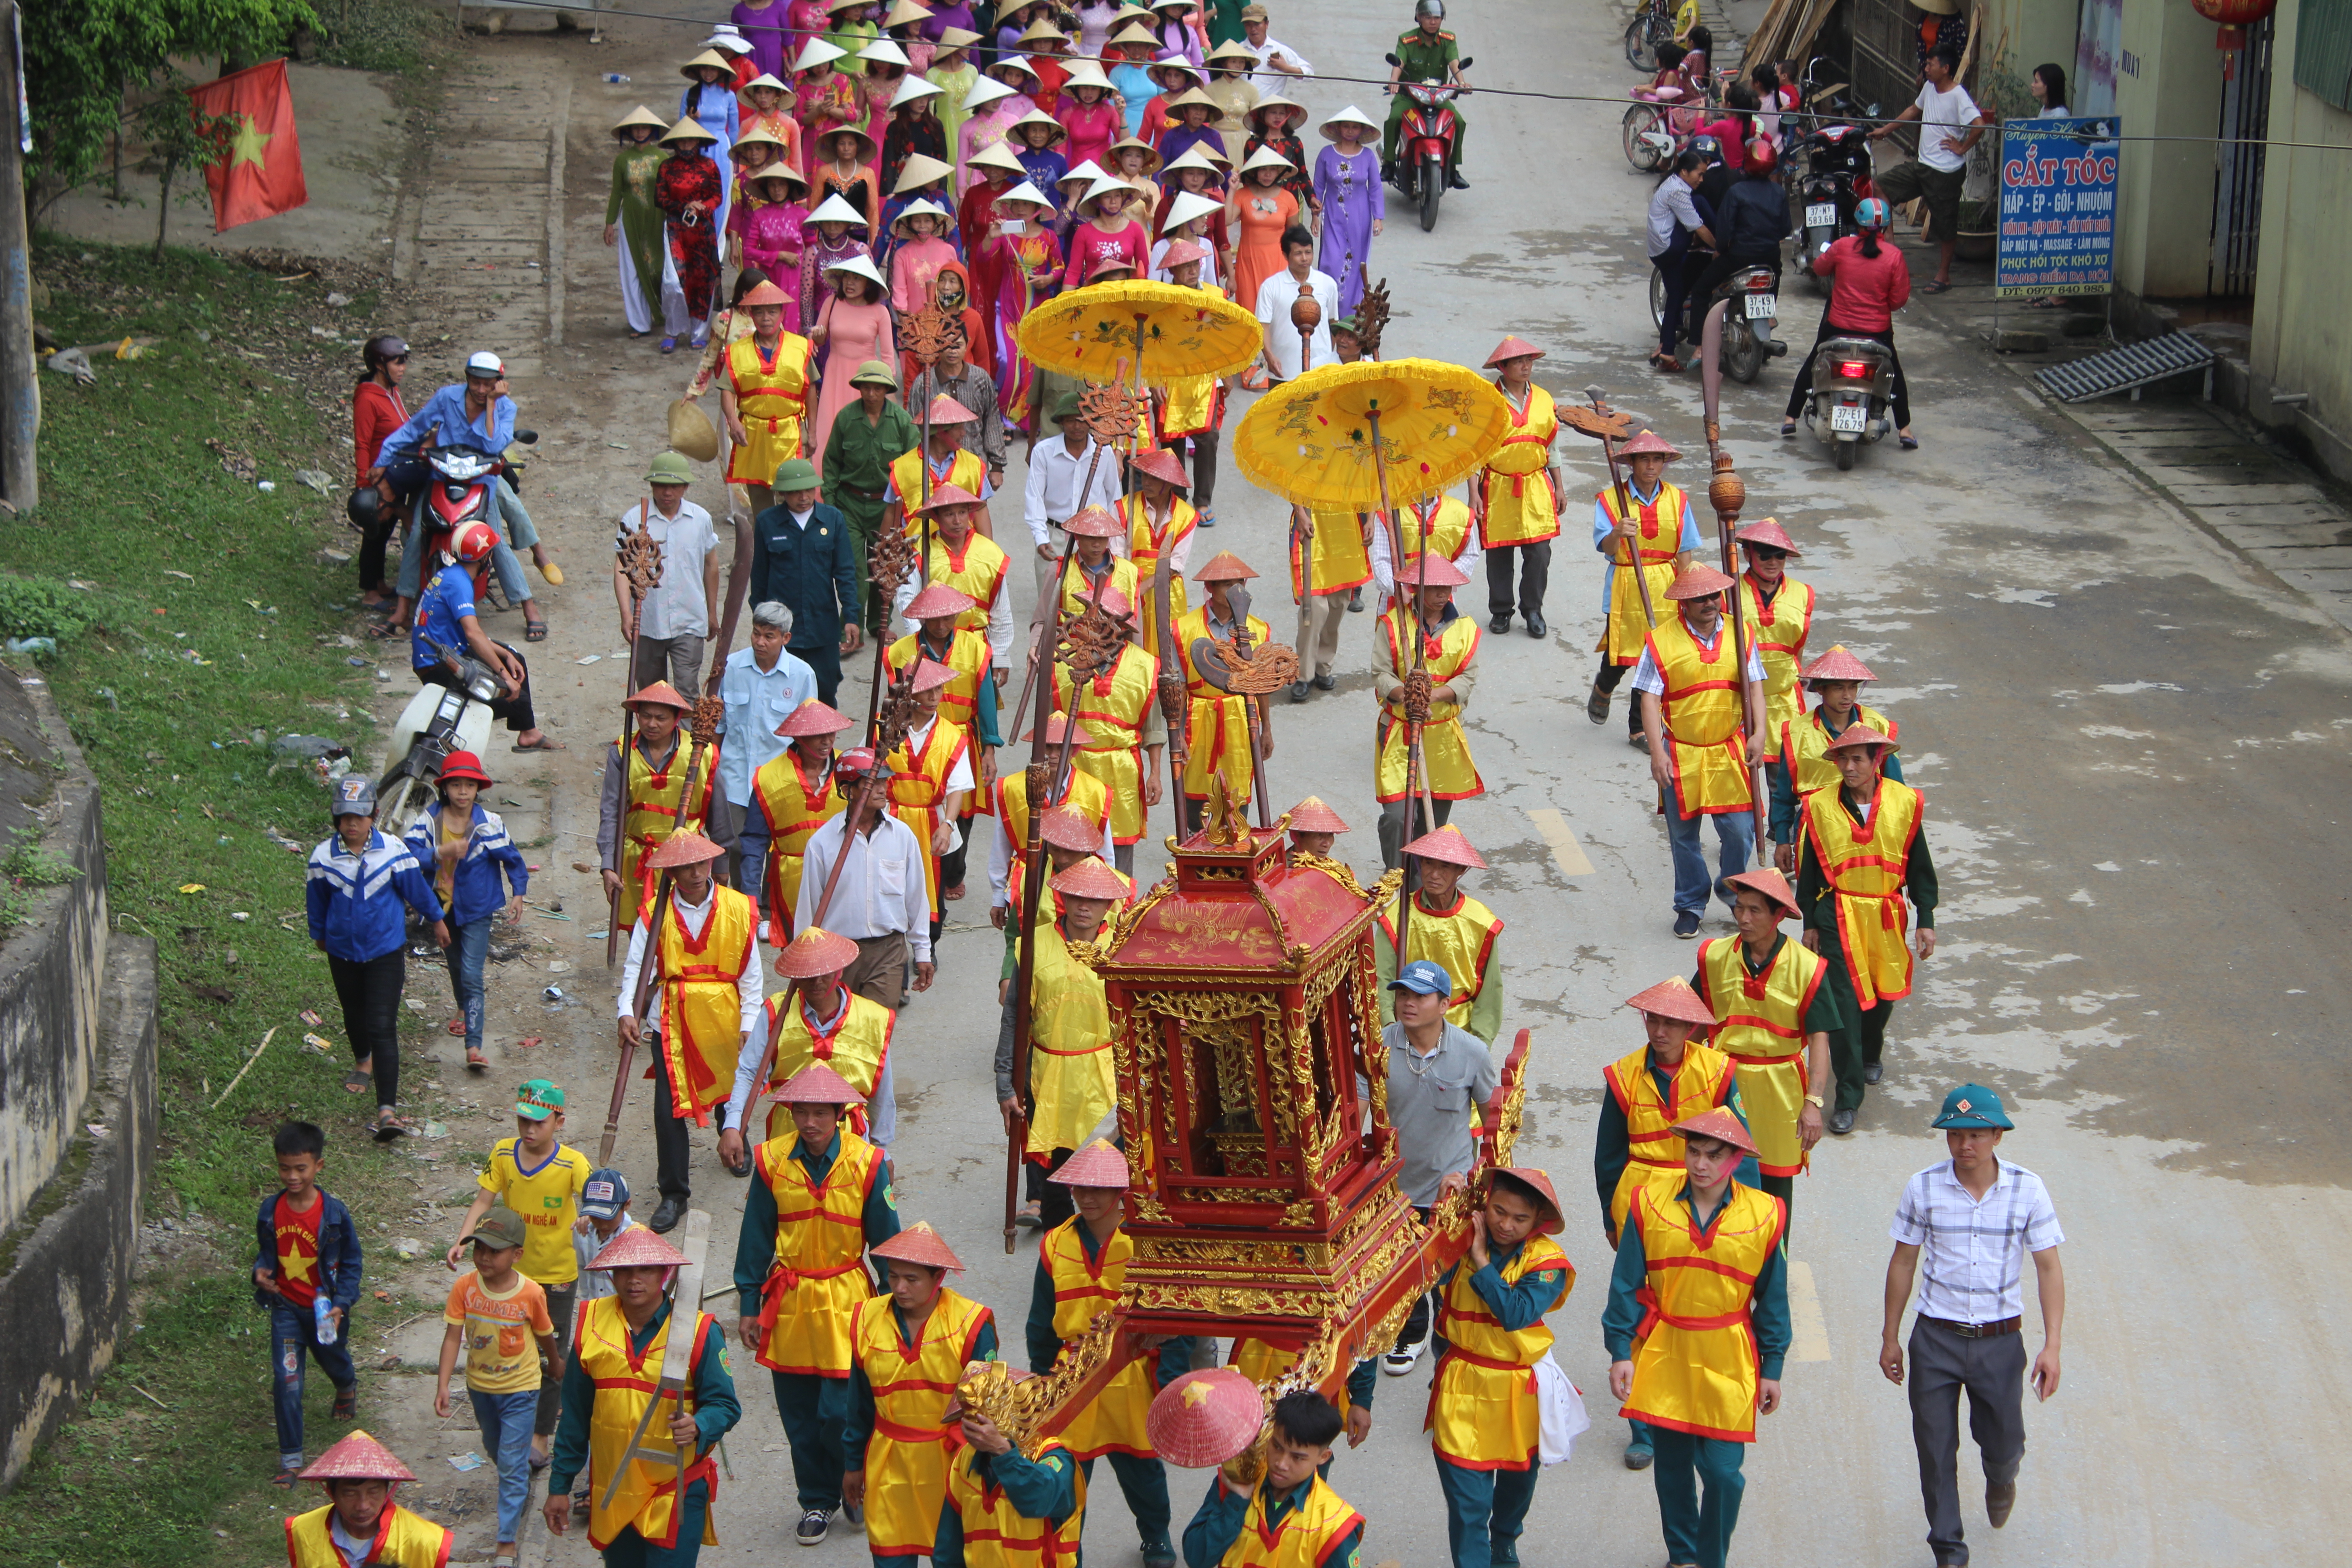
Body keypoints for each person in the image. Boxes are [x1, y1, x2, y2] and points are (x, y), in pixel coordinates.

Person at [1881, 1084, 2066, 1568]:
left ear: (1998, 1136)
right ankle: (1949, 1548)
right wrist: (1890, 1338)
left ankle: (2001, 1476)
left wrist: (2053, 1346)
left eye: (1977, 1135)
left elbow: (2049, 1267)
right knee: (1935, 1446)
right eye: (1956, 1135)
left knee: (2005, 1441)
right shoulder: (1923, 1188)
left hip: (2000, 1341)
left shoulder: (2028, 1189)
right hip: (1935, 1340)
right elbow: (1903, 1263)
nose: (1966, 1146)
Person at [1603, 1109, 1790, 1568]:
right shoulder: (1649, 1203)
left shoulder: (1765, 1213)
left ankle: (1711, 1559)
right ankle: (1683, 1558)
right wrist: (1620, 1351)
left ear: (1735, 1159)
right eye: (1694, 1151)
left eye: (1712, 1155)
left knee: (1725, 1475)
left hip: (1729, 1354)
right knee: (1671, 1469)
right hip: (1667, 1350)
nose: (1700, 1164)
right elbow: (1626, 1283)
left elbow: (1773, 1298)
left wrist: (1774, 1368)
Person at [732, 1062, 902, 1545]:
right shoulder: (769, 1163)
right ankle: (817, 1502)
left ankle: (855, 1479)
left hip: (848, 1301)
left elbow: (886, 1240)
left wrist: (895, 1307)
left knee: (839, 1412)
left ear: (839, 1115)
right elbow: (756, 1237)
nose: (809, 1123)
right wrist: (749, 1303)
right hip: (789, 1304)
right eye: (801, 1113)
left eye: (819, 1114)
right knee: (800, 1414)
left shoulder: (868, 1164)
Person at [1592, 976, 1748, 1469]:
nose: (1660, 1030)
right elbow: (1608, 1154)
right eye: (1654, 1020)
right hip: (1640, 1201)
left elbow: (1739, 1147)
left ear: (1692, 1028)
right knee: (1645, 1303)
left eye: (1672, 1022)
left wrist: (1748, 1211)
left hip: (1703, 1195)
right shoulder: (1623, 1076)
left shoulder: (1720, 1073)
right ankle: (1644, 1422)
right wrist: (1609, 1215)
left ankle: (1697, 1403)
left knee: (1699, 1301)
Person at [1028, 1140, 1183, 1568]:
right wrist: (1043, 1380)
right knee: (1065, 1469)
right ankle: (1068, 1548)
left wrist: (1169, 1382)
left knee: (1142, 1468)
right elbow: (1041, 1321)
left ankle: (1156, 1535)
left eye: (1099, 1189)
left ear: (1122, 1194)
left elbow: (1175, 1322)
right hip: (1071, 1372)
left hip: (1132, 1372)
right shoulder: (1055, 1245)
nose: (1087, 1198)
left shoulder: (1147, 1243)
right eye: (1079, 1189)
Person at [545, 1227, 743, 1563]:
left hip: (675, 1491)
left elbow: (725, 1405)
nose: (633, 1280)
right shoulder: (591, 1324)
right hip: (613, 1490)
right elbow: (576, 1417)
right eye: (624, 1270)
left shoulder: (700, 1332)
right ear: (612, 1274)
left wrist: (699, 1424)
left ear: (665, 1275)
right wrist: (559, 1487)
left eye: (646, 1270)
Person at [618, 830, 764, 1229]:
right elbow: (637, 967)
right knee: (668, 1109)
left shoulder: (739, 908)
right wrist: (626, 1011)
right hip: (673, 1018)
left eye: (701, 863)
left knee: (728, 1085)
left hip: (725, 1014)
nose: (696, 872)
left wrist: (750, 1023)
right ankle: (674, 1192)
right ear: (672, 870)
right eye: (686, 866)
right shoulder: (655, 912)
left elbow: (752, 975)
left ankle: (732, 1134)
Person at [444, 1080, 594, 1465]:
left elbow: (595, 1198)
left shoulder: (573, 1163)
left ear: (559, 1122)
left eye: (539, 1123)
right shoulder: (503, 1154)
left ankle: (541, 1433)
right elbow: (483, 1200)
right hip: (510, 1277)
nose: (529, 1131)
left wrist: (590, 1217)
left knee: (551, 1354)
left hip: (557, 1276)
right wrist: (463, 1240)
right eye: (523, 1121)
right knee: (508, 1345)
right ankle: (511, 1415)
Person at [1798, 724, 1938, 1133]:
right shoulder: (1820, 806)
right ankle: (1848, 1096)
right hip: (1837, 913)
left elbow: (1920, 864)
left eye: (1858, 758)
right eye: (1843, 758)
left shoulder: (1904, 802)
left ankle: (1871, 1051)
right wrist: (1810, 921)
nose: (1849, 766)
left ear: (1878, 761)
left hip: (1886, 914)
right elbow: (1810, 870)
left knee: (1881, 997)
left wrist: (1925, 917)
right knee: (1843, 1004)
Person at [1428, 1169, 1572, 1568]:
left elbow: (1516, 1313)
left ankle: (1505, 1540)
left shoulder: (1548, 1263)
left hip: (1518, 1388)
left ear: (1538, 1220)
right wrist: (1442, 1213)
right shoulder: (1460, 1235)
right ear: (1486, 1204)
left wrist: (1480, 1261)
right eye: (1498, 1211)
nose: (1505, 1225)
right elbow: (1423, 1272)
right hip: (1462, 1380)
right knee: (1467, 1503)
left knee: (1517, 1483)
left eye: (1519, 1218)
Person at [1363, 959, 1499, 1376]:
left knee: (1447, 1275)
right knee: (1403, 1270)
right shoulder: (1377, 1049)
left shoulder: (1472, 1053)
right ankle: (1409, 1332)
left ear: (1444, 1005)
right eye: (1403, 995)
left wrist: (1483, 1178)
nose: (1408, 1004)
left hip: (1450, 1186)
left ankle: (1452, 1347)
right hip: (1395, 1188)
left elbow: (1493, 1116)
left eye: (1419, 996)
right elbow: (1353, 1111)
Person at [1692, 867, 1840, 1237]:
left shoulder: (1808, 968)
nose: (1743, 918)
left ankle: (1771, 1282)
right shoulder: (1714, 957)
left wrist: (1814, 1103)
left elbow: (1820, 1040)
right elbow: (1691, 1023)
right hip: (1724, 1084)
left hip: (1780, 1092)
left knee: (1775, 1193)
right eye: (1739, 908)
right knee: (1716, 1180)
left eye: (1755, 910)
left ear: (1778, 917)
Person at [844, 1223, 1001, 1563]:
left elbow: (988, 1410)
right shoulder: (866, 1320)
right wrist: (853, 1464)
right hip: (889, 1466)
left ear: (938, 1278)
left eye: (911, 1279)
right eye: (893, 1276)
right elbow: (858, 1404)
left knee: (953, 1558)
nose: (899, 1288)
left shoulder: (971, 1327)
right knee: (890, 1556)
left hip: (951, 1469)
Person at [308, 775, 450, 1142]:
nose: (352, 824)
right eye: (344, 817)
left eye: (359, 816)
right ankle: (362, 1061)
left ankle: (387, 1110)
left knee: (382, 1025)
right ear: (336, 820)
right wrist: (321, 936)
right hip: (342, 951)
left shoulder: (393, 851)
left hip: (385, 950)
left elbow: (416, 890)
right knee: (353, 1012)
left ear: (373, 815)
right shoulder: (323, 857)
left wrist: (436, 919)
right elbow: (318, 903)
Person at [1636, 562, 1769, 938]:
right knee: (1684, 837)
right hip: (1682, 752)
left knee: (1741, 831)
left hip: (1730, 751)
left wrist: (1759, 733)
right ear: (1685, 603)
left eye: (1714, 595)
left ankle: (1731, 888)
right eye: (1700, 598)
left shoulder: (1741, 633)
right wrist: (1656, 753)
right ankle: (1691, 903)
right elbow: (1649, 698)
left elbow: (1755, 687)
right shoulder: (1661, 641)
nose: (1710, 602)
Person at [994, 864, 1127, 1229]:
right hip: (1046, 1079)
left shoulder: (1123, 946)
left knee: (1109, 1179)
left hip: (1104, 1081)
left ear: (1108, 905)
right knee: (1055, 1187)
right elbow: (1015, 1019)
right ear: (1063, 899)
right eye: (1077, 897)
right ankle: (1059, 1256)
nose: (1085, 906)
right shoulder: (1033, 945)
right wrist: (1005, 1083)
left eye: (1095, 900)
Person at [435, 1205, 559, 1562]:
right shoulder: (465, 1287)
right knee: (496, 1448)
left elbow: (546, 1333)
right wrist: (444, 1385)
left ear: (517, 1255)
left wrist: (555, 1363)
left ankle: (507, 1536)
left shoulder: (531, 1293)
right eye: (479, 1249)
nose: (484, 1258)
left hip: (521, 1388)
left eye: (494, 1251)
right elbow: (451, 1338)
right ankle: (516, 1476)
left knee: (509, 1458)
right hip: (480, 1388)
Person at [402, 750, 527, 1072]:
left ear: (478, 789)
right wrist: (440, 852)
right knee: (455, 964)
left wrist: (518, 893)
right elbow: (408, 854)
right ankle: (462, 1007)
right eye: (455, 785)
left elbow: (511, 857)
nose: (462, 792)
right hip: (441, 907)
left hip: (478, 908)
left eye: (468, 786)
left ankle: (474, 1046)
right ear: (444, 788)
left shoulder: (489, 824)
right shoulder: (430, 820)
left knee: (472, 973)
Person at [724, 925, 897, 1156]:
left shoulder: (873, 1017)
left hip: (852, 1139)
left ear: (840, 970)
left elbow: (882, 1093)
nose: (816, 982)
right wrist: (732, 1126)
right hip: (789, 1135)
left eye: (824, 973)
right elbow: (749, 1072)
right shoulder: (775, 1012)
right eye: (808, 974)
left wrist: (882, 1151)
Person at [255, 1121, 363, 1486]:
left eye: (301, 1168)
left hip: (323, 1312)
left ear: (319, 1166)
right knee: (287, 1381)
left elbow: (351, 1262)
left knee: (333, 1358)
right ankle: (291, 1460)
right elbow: (267, 1255)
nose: (292, 1176)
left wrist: (342, 1302)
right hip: (285, 1308)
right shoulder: (270, 1212)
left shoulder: (334, 1215)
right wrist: (261, 1273)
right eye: (285, 1168)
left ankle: (346, 1386)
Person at [888, 587, 1001, 903]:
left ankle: (953, 872)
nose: (941, 624)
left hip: (960, 739)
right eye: (935, 618)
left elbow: (986, 700)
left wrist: (989, 748)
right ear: (923, 617)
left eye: (949, 617)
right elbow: (890, 700)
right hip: (914, 738)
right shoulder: (900, 652)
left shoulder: (975, 647)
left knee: (961, 809)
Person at [797, 754, 937, 1007]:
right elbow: (808, 908)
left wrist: (922, 951)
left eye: (884, 782)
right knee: (841, 1035)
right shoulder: (822, 843)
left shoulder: (902, 836)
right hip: (837, 955)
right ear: (847, 791)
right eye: (872, 783)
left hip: (888, 952)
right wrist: (808, 964)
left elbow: (916, 897)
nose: (883, 789)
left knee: (877, 1031)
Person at [1586, 429, 1698, 743]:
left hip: (1665, 583)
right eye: (1644, 459)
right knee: (1621, 655)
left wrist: (1687, 592)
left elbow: (1686, 550)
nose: (1651, 466)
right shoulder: (1611, 500)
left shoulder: (1678, 500)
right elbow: (1605, 547)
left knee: (1653, 657)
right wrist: (1618, 533)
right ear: (1632, 463)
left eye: (1656, 459)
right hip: (1625, 584)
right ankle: (1604, 686)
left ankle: (1638, 729)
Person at [1373, 555, 1482, 870]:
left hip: (1443, 737)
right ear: (1415, 590)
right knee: (1396, 818)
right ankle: (1395, 875)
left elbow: (1467, 679)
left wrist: (1430, 696)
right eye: (1433, 587)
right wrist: (1406, 696)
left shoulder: (1467, 629)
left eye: (1446, 587)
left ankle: (1419, 887)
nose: (1441, 593)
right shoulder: (1394, 625)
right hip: (1400, 733)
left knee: (1431, 824)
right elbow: (1380, 674)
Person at [1049, 586, 1166, 877]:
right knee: (1068, 847)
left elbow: (1153, 728)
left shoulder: (1145, 665)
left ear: (1120, 626)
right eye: (1089, 615)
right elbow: (1051, 726)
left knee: (1119, 856)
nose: (1093, 622)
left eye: (1102, 618)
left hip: (1121, 770)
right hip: (1075, 768)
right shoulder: (1065, 660)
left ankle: (1120, 914)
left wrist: (1155, 773)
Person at [1781, 196, 1915, 446]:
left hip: (1837, 327)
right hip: (1878, 332)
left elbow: (1819, 269)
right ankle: (1905, 430)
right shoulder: (1894, 256)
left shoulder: (1842, 246)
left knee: (1813, 362)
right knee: (1893, 372)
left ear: (1857, 223)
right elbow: (1898, 301)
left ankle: (1791, 417)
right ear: (1886, 226)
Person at [1180, 1390, 1362, 1568]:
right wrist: (1236, 1501)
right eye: (1276, 1446)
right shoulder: (1235, 1482)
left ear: (1324, 1457)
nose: (1281, 1463)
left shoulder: (1334, 1525)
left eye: (1297, 1457)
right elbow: (1197, 1558)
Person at [933, 1362, 1086, 1566]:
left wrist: (1002, 1453)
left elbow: (1040, 1500)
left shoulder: (1054, 1457)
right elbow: (948, 1548)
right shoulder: (966, 1459)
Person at [1769, 644, 1903, 872]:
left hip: (1869, 825)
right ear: (1820, 689)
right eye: (1839, 688)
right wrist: (1783, 840)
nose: (1848, 696)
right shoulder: (1796, 732)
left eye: (1853, 687)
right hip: (1816, 827)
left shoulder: (1877, 725)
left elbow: (1896, 788)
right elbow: (1784, 795)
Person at [716, 603, 818, 899]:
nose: (760, 642)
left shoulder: (802, 675)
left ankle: (771, 904)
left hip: (780, 779)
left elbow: (809, 732)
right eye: (756, 634)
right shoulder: (732, 667)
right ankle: (742, 900)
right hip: (735, 775)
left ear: (785, 638)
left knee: (777, 844)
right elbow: (720, 725)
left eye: (769, 636)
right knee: (735, 844)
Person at [1867, 43, 1987, 294]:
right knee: (1881, 186)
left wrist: (1962, 148)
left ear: (1945, 68)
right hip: (1922, 165)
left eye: (1931, 64)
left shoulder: (1958, 96)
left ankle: (1943, 276)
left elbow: (1979, 125)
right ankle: (1891, 244)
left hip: (1945, 172)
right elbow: (1914, 109)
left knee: (1945, 225)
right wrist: (1885, 130)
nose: (1927, 67)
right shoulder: (1929, 87)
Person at [598, 682, 716, 937]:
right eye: (646, 716)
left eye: (661, 718)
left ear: (676, 719)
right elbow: (611, 811)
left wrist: (722, 865)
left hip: (687, 860)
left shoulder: (701, 752)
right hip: (639, 858)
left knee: (683, 933)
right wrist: (608, 864)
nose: (652, 724)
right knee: (641, 938)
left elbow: (716, 812)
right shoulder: (621, 751)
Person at [748, 458, 864, 706]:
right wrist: (761, 622)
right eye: (795, 492)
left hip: (822, 627)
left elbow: (845, 572)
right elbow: (759, 575)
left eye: (809, 490)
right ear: (782, 494)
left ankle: (823, 746)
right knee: (781, 695)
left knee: (825, 691)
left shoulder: (833, 520)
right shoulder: (767, 522)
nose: (803, 497)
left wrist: (852, 617)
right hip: (781, 629)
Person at [1373, 825, 1503, 1044]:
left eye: (1445, 867)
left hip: (1461, 1033)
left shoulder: (1481, 922)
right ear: (1419, 864)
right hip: (1406, 1030)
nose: (1434, 874)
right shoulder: (1396, 915)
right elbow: (1381, 978)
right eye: (1428, 863)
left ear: (1460, 870)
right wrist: (1389, 1027)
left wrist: (1481, 1044)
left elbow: (1489, 993)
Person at [1169, 552, 1270, 830]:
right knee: (1195, 803)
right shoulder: (1182, 628)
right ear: (1210, 588)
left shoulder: (1258, 630)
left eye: (1239, 583)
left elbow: (1262, 684)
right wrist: (1177, 733)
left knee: (1238, 799)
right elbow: (1177, 685)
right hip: (1198, 718)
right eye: (1226, 583)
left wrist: (1267, 729)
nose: (1233, 590)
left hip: (1241, 718)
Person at [989, 716, 1115, 931]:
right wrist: (999, 897)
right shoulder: (1012, 788)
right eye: (1048, 747)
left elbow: (1105, 853)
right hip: (1026, 886)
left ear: (1074, 750)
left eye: (1061, 748)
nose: (1053, 755)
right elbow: (1001, 847)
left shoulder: (1095, 792)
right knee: (1021, 953)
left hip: (1075, 890)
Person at [822, 360, 921, 630]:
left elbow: (912, 467)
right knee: (853, 567)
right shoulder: (846, 418)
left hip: (886, 506)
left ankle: (881, 623)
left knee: (885, 566)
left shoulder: (902, 421)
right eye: (866, 388)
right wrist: (830, 508)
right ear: (860, 389)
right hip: (850, 505)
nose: (872, 394)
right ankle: (850, 625)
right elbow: (831, 463)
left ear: (887, 390)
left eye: (878, 389)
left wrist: (905, 511)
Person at [881, 658, 975, 939]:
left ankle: (929, 945)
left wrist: (947, 824)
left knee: (933, 891)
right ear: (909, 694)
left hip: (934, 822)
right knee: (889, 887)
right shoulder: (885, 728)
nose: (935, 698)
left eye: (939, 690)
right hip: (891, 818)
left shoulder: (951, 735)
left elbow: (957, 788)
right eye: (927, 691)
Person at [1476, 336, 1562, 638]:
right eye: (1519, 362)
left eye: (1529, 361)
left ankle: (1533, 609)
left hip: (1536, 483)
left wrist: (1560, 486)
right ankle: (1501, 610)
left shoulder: (1544, 399)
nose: (1526, 367)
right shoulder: (1487, 400)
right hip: (1498, 484)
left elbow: (1554, 446)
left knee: (1539, 552)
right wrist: (1474, 493)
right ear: (1503, 366)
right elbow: (1475, 451)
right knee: (1499, 552)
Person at [615, 451, 722, 695]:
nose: (667, 493)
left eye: (674, 487)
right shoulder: (635, 519)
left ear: (685, 487)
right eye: (661, 486)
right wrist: (626, 614)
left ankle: (686, 736)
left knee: (687, 692)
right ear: (652, 486)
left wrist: (712, 613)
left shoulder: (700, 519)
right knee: (652, 695)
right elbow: (621, 569)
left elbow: (711, 564)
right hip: (648, 621)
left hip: (689, 620)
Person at [747, 699, 853, 937]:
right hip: (791, 882)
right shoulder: (769, 777)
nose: (827, 742)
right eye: (818, 736)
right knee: (799, 956)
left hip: (843, 877)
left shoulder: (850, 770)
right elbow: (755, 840)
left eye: (831, 734)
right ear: (799, 738)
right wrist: (751, 893)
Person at [720, 279, 818, 523]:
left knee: (797, 499)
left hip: (790, 431)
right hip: (753, 434)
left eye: (773, 311)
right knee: (761, 507)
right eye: (760, 312)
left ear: (783, 313)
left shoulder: (801, 347)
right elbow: (726, 389)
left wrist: (813, 432)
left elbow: (811, 390)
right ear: (751, 315)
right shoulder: (737, 351)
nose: (766, 318)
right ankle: (764, 554)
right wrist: (733, 421)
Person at [896, 485, 1017, 676]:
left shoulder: (990, 553)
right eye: (949, 514)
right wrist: (921, 644)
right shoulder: (919, 552)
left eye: (962, 512)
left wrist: (1000, 656)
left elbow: (1000, 609)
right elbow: (908, 603)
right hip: (933, 646)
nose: (957, 521)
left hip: (977, 647)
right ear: (936, 517)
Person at [284, 1431, 451, 1567]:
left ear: (388, 1491)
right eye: (350, 1494)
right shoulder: (304, 1530)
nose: (363, 1505)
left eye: (373, 1492)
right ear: (331, 1493)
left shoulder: (426, 1540)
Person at [1681, 138, 1788, 349]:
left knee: (1702, 289)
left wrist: (1719, 250)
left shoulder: (1737, 192)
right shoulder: (1779, 193)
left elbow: (1725, 230)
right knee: (1776, 274)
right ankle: (1768, 315)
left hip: (1739, 257)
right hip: (1769, 258)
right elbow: (1785, 229)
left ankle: (1699, 345)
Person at [1024, 391, 1125, 588]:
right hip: (1056, 534)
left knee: (1092, 604)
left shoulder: (1103, 452)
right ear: (1061, 422)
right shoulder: (1043, 452)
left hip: (1094, 539)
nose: (1077, 426)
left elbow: (1114, 498)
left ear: (1091, 421)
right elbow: (1034, 497)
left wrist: (1115, 543)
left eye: (1082, 420)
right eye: (1070, 421)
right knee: (1052, 606)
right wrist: (1040, 537)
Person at [811, 255, 901, 461]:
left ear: (868, 283)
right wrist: (815, 336)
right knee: (828, 431)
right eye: (847, 277)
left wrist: (889, 390)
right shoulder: (831, 302)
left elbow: (888, 356)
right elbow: (819, 339)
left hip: (866, 378)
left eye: (857, 279)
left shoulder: (880, 312)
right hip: (834, 374)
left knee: (862, 431)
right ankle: (823, 489)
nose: (850, 283)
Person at [1730, 517, 1810, 742]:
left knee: (1783, 773)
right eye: (1765, 555)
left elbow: (1798, 646)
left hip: (1785, 698)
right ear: (1747, 555)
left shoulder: (1803, 593)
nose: (1773, 562)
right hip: (1739, 697)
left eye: (1780, 556)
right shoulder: (1729, 592)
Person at [655, 117, 729, 353]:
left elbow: (718, 196)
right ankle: (673, 329)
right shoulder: (666, 168)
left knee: (701, 280)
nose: (687, 144)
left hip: (703, 230)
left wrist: (702, 206)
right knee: (673, 281)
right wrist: (684, 206)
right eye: (682, 141)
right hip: (675, 229)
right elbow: (660, 199)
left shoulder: (709, 166)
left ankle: (699, 332)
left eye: (691, 140)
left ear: (698, 142)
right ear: (676, 144)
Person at [906, 330, 1010, 495]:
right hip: (934, 469)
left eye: (958, 346)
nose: (952, 351)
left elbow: (992, 421)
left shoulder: (980, 378)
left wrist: (997, 467)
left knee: (974, 517)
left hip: (974, 463)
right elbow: (913, 427)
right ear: (938, 347)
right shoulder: (924, 382)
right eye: (947, 346)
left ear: (967, 346)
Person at [883, 394, 995, 544]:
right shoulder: (902, 468)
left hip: (963, 556)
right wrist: (884, 554)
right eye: (959, 428)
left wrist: (989, 552)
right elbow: (892, 513)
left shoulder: (974, 465)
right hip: (916, 556)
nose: (964, 433)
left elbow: (981, 511)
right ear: (941, 431)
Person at [1382, 0, 1469, 188]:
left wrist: (1462, 83)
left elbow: (1454, 63)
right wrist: (1394, 82)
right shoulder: (1407, 40)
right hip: (1410, 97)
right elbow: (1399, 64)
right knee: (1395, 119)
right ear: (1419, 18)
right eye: (1428, 17)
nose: (1433, 22)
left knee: (1459, 121)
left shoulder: (1448, 39)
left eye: (1437, 18)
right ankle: (1388, 163)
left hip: (1437, 98)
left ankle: (1453, 169)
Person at [350, 335, 408, 612]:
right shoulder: (367, 398)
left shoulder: (391, 391)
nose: (403, 368)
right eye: (397, 363)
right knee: (375, 533)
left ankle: (380, 582)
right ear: (379, 364)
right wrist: (364, 483)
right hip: (378, 479)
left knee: (385, 533)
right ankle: (370, 593)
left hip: (395, 474)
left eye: (404, 362)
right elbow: (362, 442)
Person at [1646, 151, 1717, 374]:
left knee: (1676, 294)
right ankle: (1666, 348)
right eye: (1699, 174)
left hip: (1658, 251)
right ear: (1684, 172)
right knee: (1700, 203)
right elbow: (1699, 228)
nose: (1701, 179)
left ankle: (1665, 347)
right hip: (1668, 249)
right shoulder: (1679, 192)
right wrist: (1720, 248)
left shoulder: (1673, 184)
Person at [1308, 106, 1382, 316]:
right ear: (1339, 129)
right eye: (1346, 127)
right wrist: (1315, 216)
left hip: (1360, 219)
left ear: (1361, 130)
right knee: (1331, 262)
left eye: (1355, 127)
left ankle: (1351, 313)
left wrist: (1378, 218)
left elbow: (1375, 187)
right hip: (1333, 216)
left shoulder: (1368, 156)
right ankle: (1327, 311)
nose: (1350, 131)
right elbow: (1318, 188)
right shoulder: (1326, 154)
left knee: (1355, 266)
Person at [1238, 182, 1313, 380]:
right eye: (1263, 169)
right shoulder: (1242, 195)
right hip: (1250, 260)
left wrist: (1294, 258)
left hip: (1279, 260)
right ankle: (1254, 375)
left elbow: (1295, 237)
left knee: (1282, 315)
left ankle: (1285, 366)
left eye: (1273, 169)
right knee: (1251, 313)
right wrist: (1230, 190)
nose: (1267, 173)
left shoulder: (1288, 198)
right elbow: (1227, 219)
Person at [1372, 483, 1480, 612]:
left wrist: (1442, 578)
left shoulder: (1459, 512)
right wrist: (1397, 589)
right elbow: (1381, 560)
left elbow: (1470, 554)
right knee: (1393, 632)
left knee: (1442, 632)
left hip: (1441, 597)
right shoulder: (1390, 511)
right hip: (1400, 597)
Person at [572, 1167, 643, 1303]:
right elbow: (583, 1274)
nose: (603, 1225)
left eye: (609, 1217)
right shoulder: (582, 1232)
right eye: (596, 1217)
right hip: (596, 1310)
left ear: (627, 1205)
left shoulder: (638, 1237)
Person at [1237, 3, 1311, 92]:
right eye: (1248, 25)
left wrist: (1286, 68)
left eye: (1257, 24)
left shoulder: (1280, 50)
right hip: (1240, 104)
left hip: (1270, 105)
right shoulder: (1236, 50)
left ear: (1267, 24)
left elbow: (1309, 74)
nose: (1253, 29)